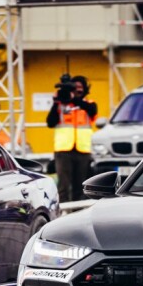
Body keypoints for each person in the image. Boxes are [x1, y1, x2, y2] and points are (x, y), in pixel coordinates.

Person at [47, 74, 97, 202]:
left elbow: (92, 111)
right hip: (64, 150)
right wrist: (56, 102)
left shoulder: (89, 104)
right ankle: (62, 213)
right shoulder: (61, 105)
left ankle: (76, 213)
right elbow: (50, 122)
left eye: (81, 87)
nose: (78, 89)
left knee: (80, 187)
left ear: (85, 89)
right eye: (75, 87)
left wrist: (73, 99)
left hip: (83, 151)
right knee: (63, 186)